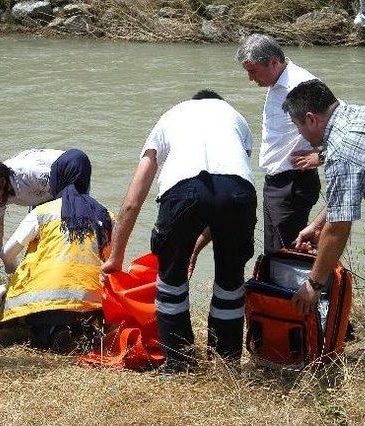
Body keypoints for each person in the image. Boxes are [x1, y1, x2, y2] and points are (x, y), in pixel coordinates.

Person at [101, 90, 257, 372]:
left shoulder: (170, 116)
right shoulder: (238, 119)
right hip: (238, 192)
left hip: (183, 190)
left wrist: (116, 256)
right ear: (220, 102)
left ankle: (179, 365)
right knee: (230, 281)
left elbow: (133, 201)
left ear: (191, 101)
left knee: (171, 282)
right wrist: (198, 243)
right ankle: (227, 364)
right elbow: (224, 190)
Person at [284, 79, 365, 396]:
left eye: (299, 127)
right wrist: (315, 225)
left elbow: (339, 228)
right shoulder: (357, 115)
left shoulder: (341, 150)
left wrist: (313, 283)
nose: (301, 136)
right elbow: (344, 196)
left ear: (312, 118)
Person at [0, 149, 111, 353]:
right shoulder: (107, 215)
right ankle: (77, 332)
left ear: (58, 176)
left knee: (27, 311)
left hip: (40, 305)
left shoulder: (42, 212)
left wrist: (15, 276)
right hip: (91, 308)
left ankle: (51, 330)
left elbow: (7, 253)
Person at [236, 34, 321, 254]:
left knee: (291, 255)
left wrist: (320, 157)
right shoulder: (276, 85)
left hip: (294, 183)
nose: (249, 78)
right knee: (274, 254)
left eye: (253, 70)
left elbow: (342, 124)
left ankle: (309, 288)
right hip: (276, 182)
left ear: (274, 62)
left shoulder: (301, 85)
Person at [0, 149, 64, 293]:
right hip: (40, 191)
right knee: (14, 249)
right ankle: (17, 276)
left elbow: (66, 196)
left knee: (52, 234)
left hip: (63, 177)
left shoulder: (30, 175)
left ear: (2, 182)